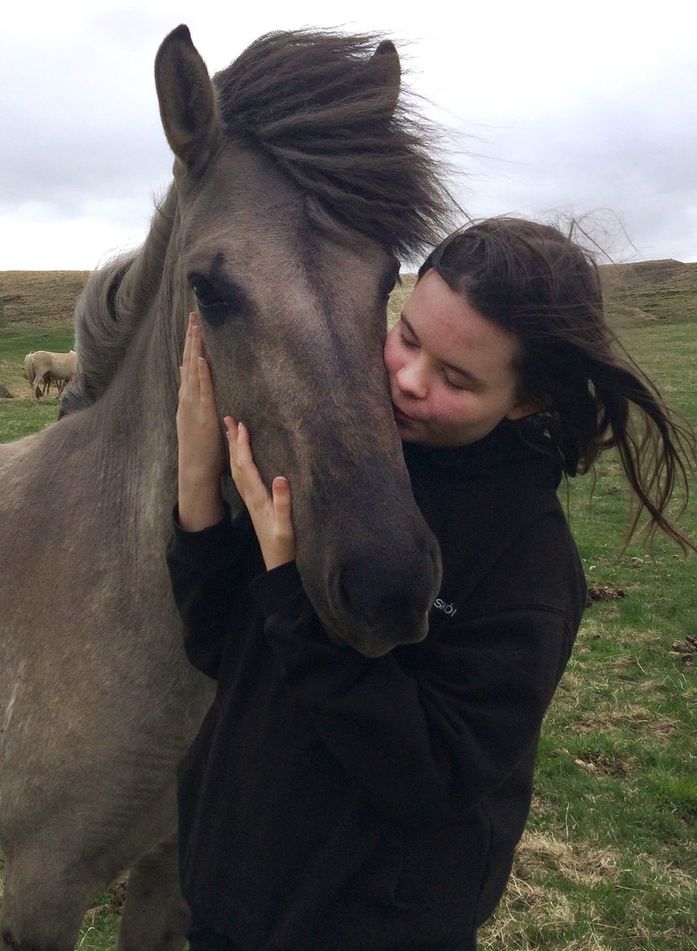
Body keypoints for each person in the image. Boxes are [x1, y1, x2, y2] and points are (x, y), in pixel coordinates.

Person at [166, 217, 694, 951]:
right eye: (407, 338)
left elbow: (436, 773)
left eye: (456, 377)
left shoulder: (527, 558)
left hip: (367, 924)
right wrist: (197, 484)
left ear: (524, 400)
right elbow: (219, 647)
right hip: (229, 898)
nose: (408, 381)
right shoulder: (348, 461)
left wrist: (290, 589)